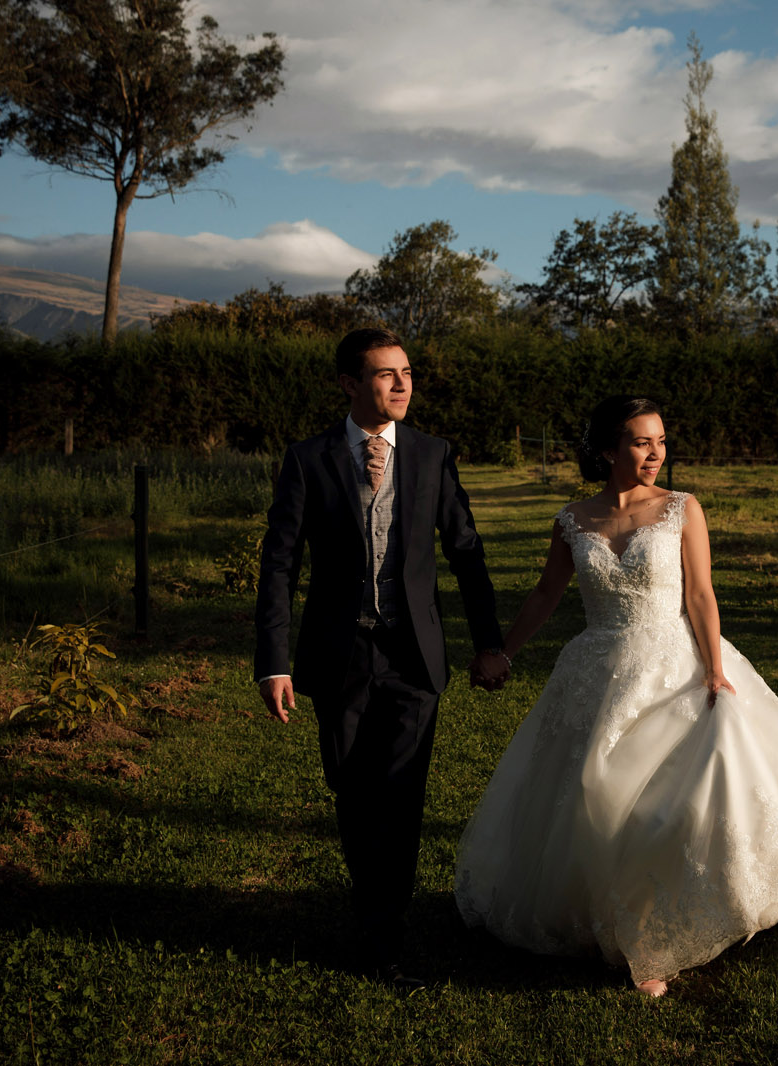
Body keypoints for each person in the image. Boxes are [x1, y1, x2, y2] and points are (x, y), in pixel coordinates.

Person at [454, 396, 778, 997]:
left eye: (662, 442)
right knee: (592, 794)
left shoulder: (681, 509)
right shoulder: (573, 519)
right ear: (606, 450)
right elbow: (546, 595)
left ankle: (653, 937)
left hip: (674, 664)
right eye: (642, 442)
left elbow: (700, 593)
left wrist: (715, 670)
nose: (656, 454)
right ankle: (599, 917)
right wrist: (504, 652)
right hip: (595, 669)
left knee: (673, 799)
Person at [255, 327, 510, 988]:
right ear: (348, 383)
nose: (402, 384)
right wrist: (273, 661)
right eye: (384, 374)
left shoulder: (431, 455)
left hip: (412, 657)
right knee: (351, 787)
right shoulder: (308, 460)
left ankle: (382, 933)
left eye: (406, 372)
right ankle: (376, 904)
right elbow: (279, 564)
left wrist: (489, 643)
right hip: (339, 654)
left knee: (399, 795)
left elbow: (466, 552)